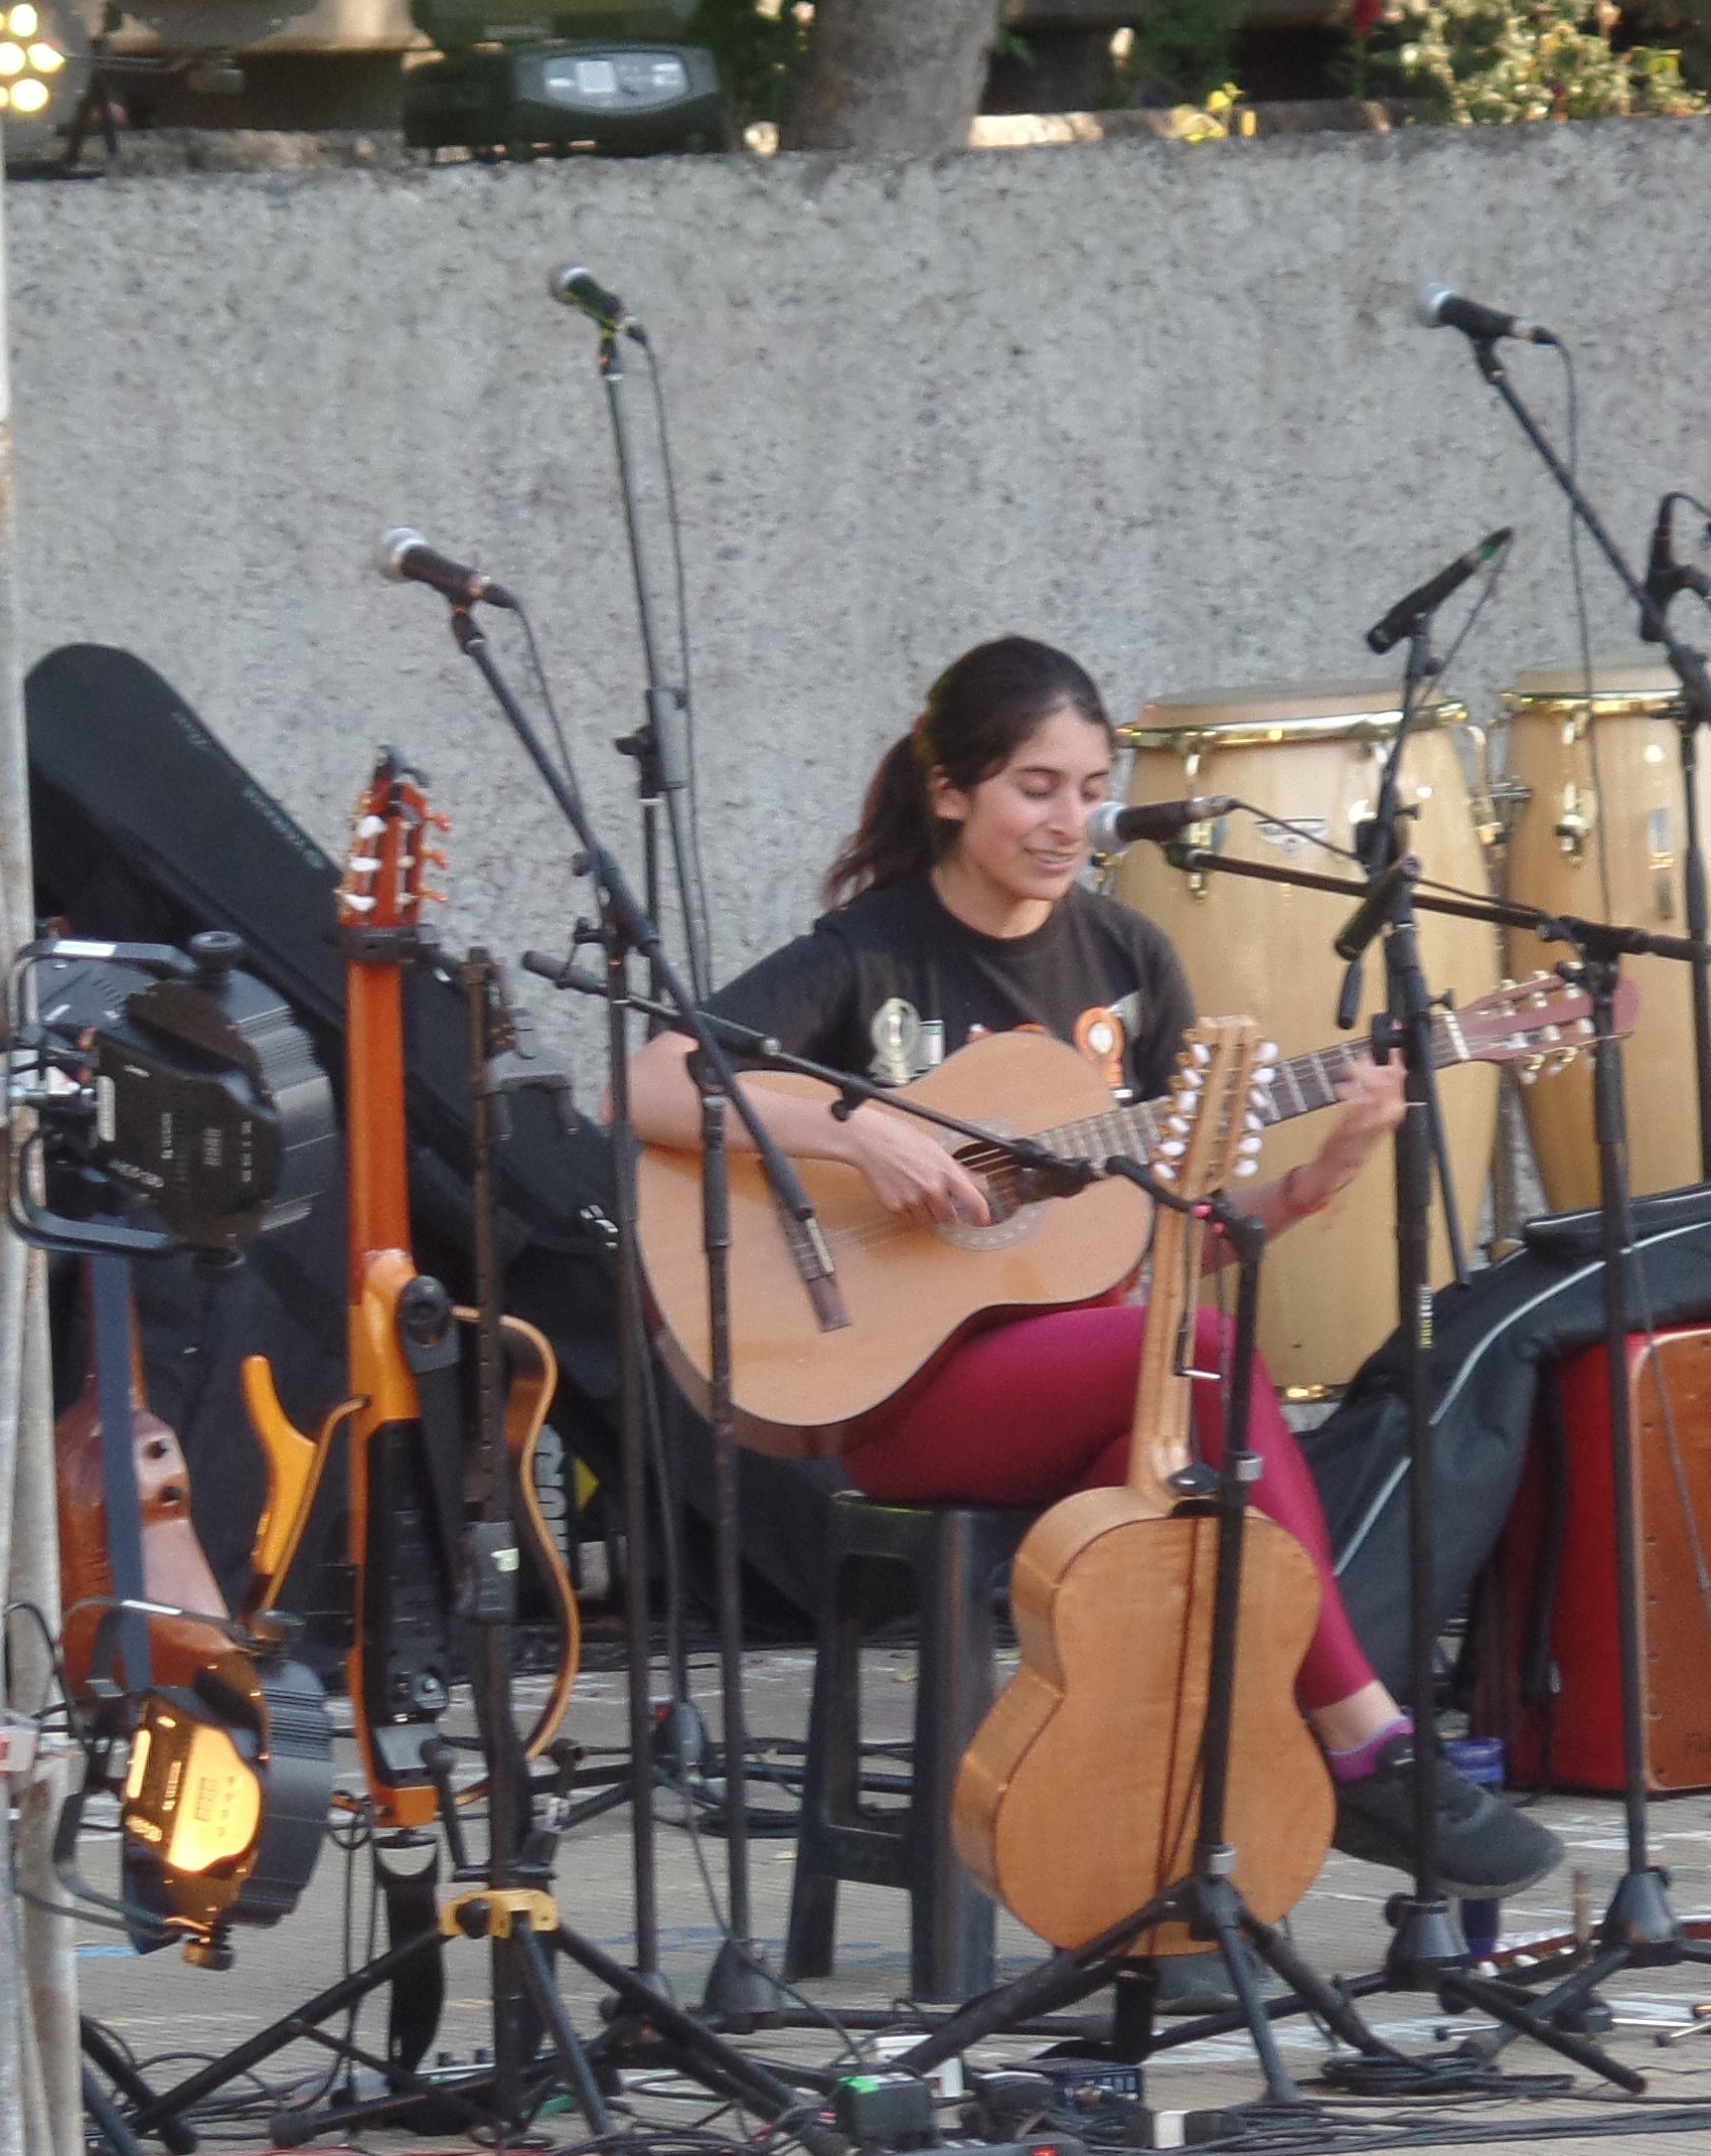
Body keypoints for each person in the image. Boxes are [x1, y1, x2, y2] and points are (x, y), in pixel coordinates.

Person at [632, 639, 1564, 1905]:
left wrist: (1313, 1179)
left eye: (1089, 787)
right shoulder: (867, 950)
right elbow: (647, 1080)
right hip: (892, 1391)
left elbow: (1185, 1232)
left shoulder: (1130, 962)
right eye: (1034, 786)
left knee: (1199, 1448)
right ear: (951, 788)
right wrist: (856, 1126)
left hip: (1088, 1375)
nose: (1068, 820)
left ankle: (1167, 1883)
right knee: (1200, 1373)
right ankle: (1361, 1745)